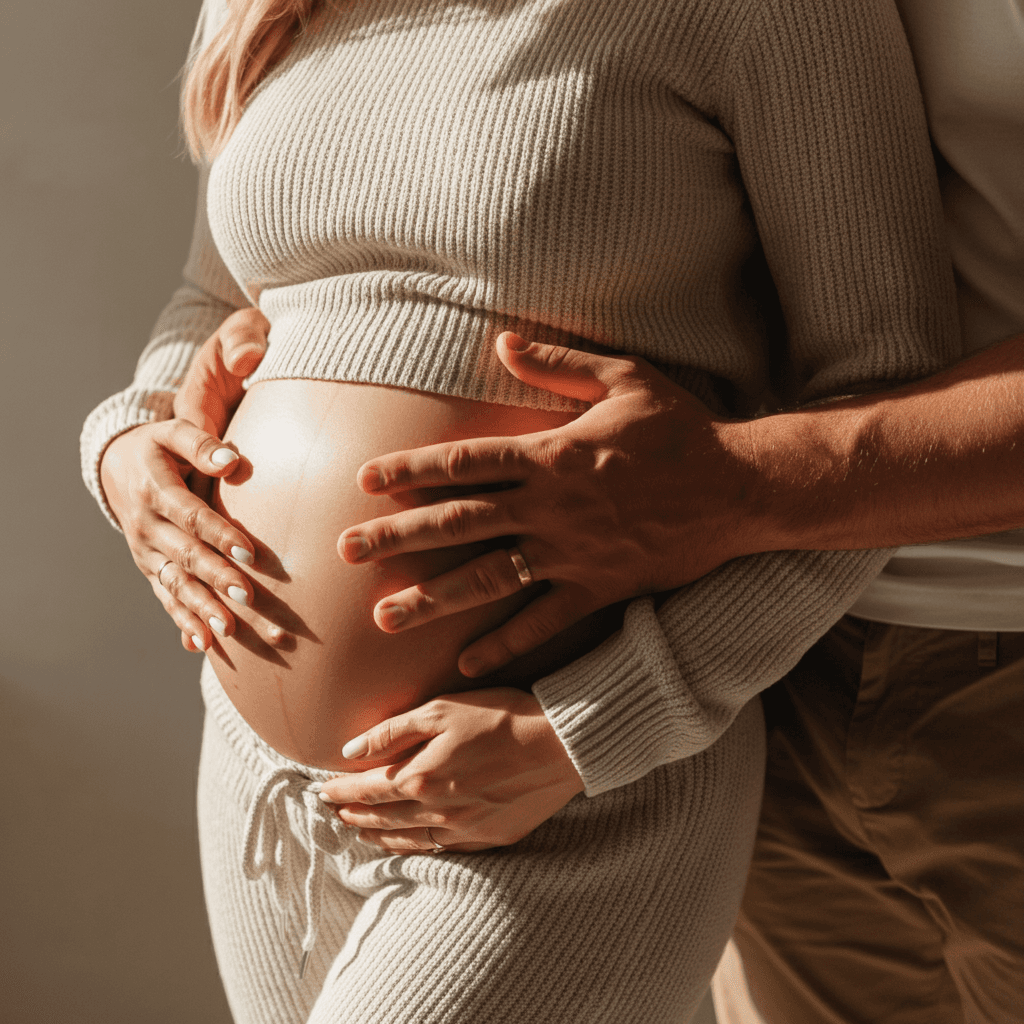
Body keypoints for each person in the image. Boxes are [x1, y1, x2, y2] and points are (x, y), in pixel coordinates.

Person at [80, 0, 963, 1021]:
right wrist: (125, 445)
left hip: (561, 794)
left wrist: (593, 725)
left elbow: (882, 413)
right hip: (258, 775)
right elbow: (213, 299)